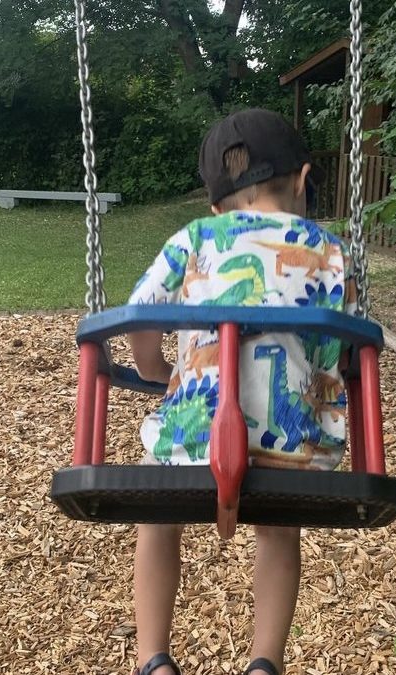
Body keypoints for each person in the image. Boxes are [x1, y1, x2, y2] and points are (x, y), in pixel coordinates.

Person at [126, 108, 357, 675]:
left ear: (215, 207)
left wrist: (156, 367)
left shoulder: (194, 238)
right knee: (280, 532)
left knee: (157, 521)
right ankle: (264, 664)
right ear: (303, 180)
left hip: (191, 444)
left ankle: (153, 659)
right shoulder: (328, 250)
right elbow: (342, 355)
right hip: (293, 452)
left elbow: (139, 313)